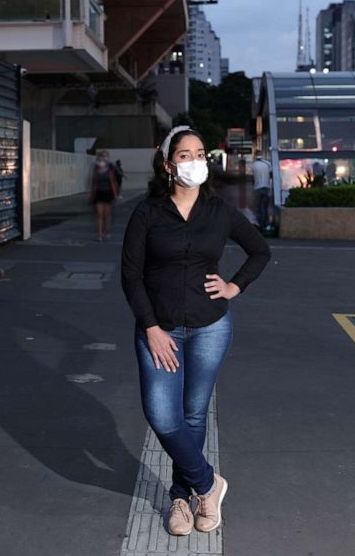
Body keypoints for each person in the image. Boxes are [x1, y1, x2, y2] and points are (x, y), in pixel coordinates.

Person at [121, 126, 271, 536]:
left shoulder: (219, 211)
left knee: (191, 414)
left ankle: (181, 499)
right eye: (185, 155)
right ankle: (208, 483)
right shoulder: (147, 212)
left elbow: (260, 250)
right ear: (169, 164)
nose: (195, 161)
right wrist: (150, 327)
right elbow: (131, 276)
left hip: (211, 327)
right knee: (162, 415)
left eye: (200, 153)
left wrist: (233, 286)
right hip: (160, 330)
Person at [89, 150, 119, 241]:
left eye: (102, 158)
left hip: (107, 193)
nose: (101, 160)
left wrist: (115, 195)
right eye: (99, 158)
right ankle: (100, 233)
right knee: (99, 215)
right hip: (99, 193)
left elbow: (113, 183)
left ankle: (107, 230)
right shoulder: (96, 171)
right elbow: (93, 184)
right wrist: (91, 195)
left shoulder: (109, 171)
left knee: (107, 214)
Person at [250, 150, 272, 229]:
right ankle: (265, 223)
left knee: (258, 207)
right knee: (265, 206)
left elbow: (252, 178)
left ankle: (259, 224)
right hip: (266, 187)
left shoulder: (253, 165)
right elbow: (270, 175)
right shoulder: (268, 164)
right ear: (261, 155)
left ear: (255, 155)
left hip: (257, 188)